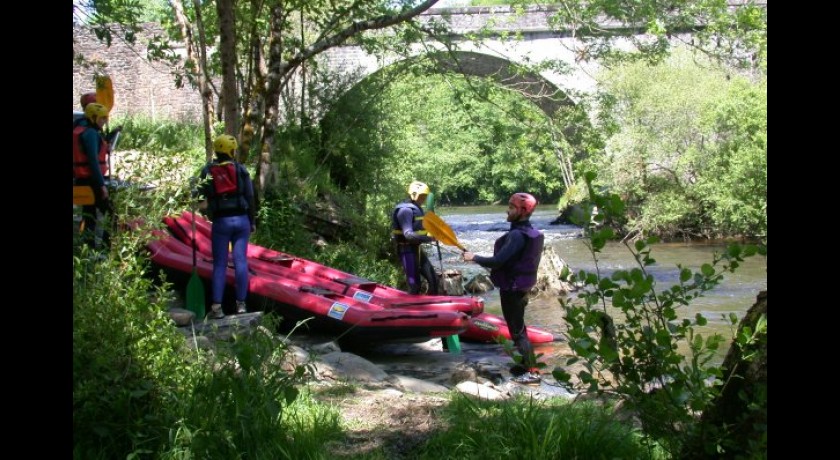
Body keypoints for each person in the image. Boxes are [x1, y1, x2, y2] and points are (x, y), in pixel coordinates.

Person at [463, 192, 545, 385]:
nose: (507, 210)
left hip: (513, 288)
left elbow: (497, 261)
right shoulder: (528, 232)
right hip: (521, 286)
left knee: (517, 332)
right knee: (519, 329)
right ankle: (525, 366)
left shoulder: (517, 235)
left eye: (511, 207)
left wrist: (473, 257)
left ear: (522, 211)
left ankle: (532, 372)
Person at [195, 134, 257, 319]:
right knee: (240, 262)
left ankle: (217, 307)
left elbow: (199, 197)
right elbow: (250, 197)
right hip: (241, 221)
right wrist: (252, 221)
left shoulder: (207, 171)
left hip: (221, 222)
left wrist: (208, 213)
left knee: (220, 265)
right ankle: (241, 305)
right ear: (231, 151)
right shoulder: (241, 170)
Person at [73, 102, 114, 250]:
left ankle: (87, 249)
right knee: (111, 214)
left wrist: (105, 148)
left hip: (81, 180)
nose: (104, 122)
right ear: (93, 117)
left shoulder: (79, 129)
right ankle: (105, 248)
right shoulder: (90, 133)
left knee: (89, 215)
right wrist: (102, 185)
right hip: (92, 182)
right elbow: (93, 162)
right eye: (102, 118)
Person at [391, 181, 440, 295]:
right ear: (414, 195)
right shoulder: (405, 211)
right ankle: (412, 309)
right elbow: (408, 235)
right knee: (415, 286)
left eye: (425, 196)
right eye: (422, 196)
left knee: (434, 280)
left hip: (416, 250)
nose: (423, 198)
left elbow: (419, 229)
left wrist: (432, 232)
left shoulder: (416, 208)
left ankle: (431, 307)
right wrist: (430, 239)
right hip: (406, 250)